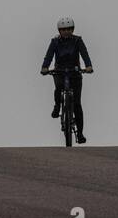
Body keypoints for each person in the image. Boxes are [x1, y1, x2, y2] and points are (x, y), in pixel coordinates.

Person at [40, 16, 93, 144]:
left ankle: (80, 134)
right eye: (63, 30)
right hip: (59, 71)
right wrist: (45, 67)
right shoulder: (55, 42)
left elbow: (84, 54)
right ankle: (57, 106)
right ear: (59, 31)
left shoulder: (77, 41)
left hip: (74, 72)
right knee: (58, 88)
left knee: (77, 105)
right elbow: (49, 55)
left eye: (69, 29)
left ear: (73, 29)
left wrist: (88, 66)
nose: (66, 31)